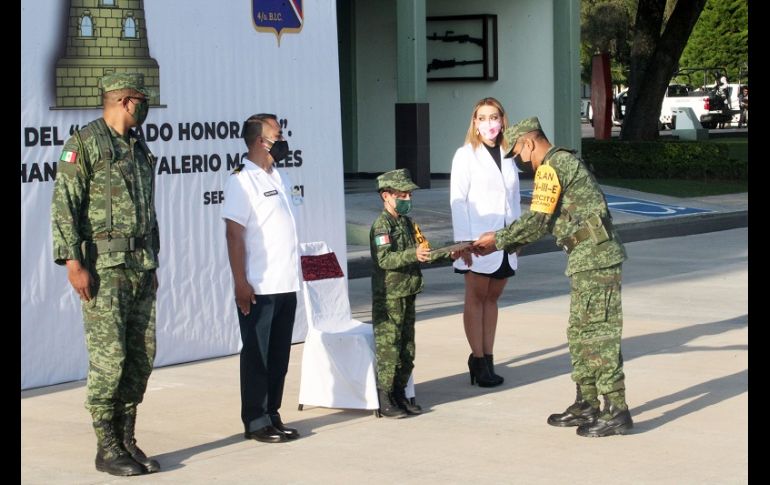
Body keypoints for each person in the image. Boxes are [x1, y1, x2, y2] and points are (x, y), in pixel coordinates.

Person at [473, 117, 634, 438]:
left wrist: (498, 240)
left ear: (529, 143)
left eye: (519, 153)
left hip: (596, 259)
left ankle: (616, 409)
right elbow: (546, 223)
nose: (521, 161)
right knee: (580, 332)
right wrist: (508, 241)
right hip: (586, 258)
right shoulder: (560, 163)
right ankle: (587, 402)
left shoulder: (551, 166)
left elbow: (537, 220)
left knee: (600, 333)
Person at [51, 72, 161, 476]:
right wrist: (73, 263)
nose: (145, 108)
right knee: (109, 360)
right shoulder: (84, 144)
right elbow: (64, 205)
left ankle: (126, 438)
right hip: (104, 269)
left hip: (140, 265)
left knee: (140, 356)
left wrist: (153, 261)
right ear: (126, 101)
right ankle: (107, 445)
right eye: (142, 101)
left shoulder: (137, 146)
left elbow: (148, 210)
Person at [222, 113, 302, 443]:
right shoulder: (242, 181)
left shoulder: (280, 176)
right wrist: (240, 282)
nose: (282, 141)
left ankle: (272, 414)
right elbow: (234, 235)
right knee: (258, 356)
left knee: (279, 356)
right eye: (277, 136)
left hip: (286, 282)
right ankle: (256, 420)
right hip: (259, 285)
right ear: (260, 141)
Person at [370, 169, 462, 418]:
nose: (408, 199)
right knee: (389, 348)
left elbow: (424, 251)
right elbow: (384, 259)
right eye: (402, 195)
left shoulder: (408, 223)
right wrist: (413, 254)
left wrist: (450, 253)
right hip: (390, 296)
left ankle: (400, 393)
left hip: (408, 290)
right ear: (386, 196)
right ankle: (385, 398)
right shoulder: (382, 226)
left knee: (406, 348)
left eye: (409, 195)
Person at [450, 97, 521, 388]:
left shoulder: (509, 154)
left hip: (505, 239)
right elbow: (458, 200)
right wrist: (463, 241)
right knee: (476, 297)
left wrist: (518, 235)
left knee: (493, 298)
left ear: (503, 120)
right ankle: (477, 360)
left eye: (494, 117)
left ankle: (489, 358)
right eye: (482, 118)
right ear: (475, 122)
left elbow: (514, 198)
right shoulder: (465, 155)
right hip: (478, 240)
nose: (489, 123)